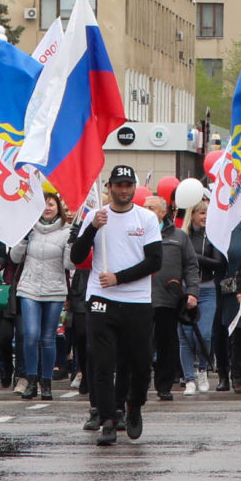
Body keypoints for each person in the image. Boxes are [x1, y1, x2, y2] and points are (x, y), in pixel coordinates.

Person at [70, 164, 164, 446]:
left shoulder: (146, 218)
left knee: (140, 362)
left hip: (136, 301)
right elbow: (76, 256)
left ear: (134, 187)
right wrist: (92, 229)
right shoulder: (95, 217)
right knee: (102, 362)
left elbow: (154, 261)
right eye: (118, 185)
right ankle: (108, 420)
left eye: (128, 185)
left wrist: (119, 278)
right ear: (108, 187)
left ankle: (133, 405)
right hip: (101, 299)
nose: (124, 190)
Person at [14, 192, 73, 399]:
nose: (47, 208)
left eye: (51, 204)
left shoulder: (66, 231)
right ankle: (31, 381)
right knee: (30, 335)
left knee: (48, 338)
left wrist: (72, 245)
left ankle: (46, 384)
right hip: (29, 288)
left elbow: (69, 265)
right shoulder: (30, 229)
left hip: (54, 290)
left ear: (58, 207)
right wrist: (22, 238)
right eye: (44, 204)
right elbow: (13, 257)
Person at [149, 196, 192, 402]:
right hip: (141, 299)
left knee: (167, 343)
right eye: (144, 207)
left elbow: (191, 265)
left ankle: (164, 386)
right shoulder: (137, 233)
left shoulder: (179, 236)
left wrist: (192, 291)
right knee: (141, 344)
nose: (147, 210)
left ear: (162, 212)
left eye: (151, 207)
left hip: (168, 298)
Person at [181, 200, 225, 391]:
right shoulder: (183, 236)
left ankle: (202, 369)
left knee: (205, 334)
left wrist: (194, 258)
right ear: (192, 215)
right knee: (186, 335)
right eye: (201, 213)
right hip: (184, 289)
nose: (205, 217)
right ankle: (189, 378)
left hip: (207, 288)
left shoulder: (212, 235)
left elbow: (217, 262)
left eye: (207, 213)